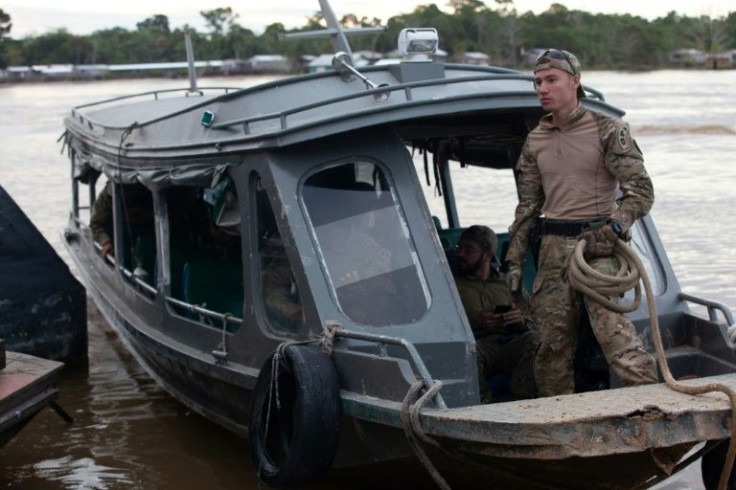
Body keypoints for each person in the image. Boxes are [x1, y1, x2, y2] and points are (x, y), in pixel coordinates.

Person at [506, 49, 658, 397]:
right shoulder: (535, 140)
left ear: (575, 82)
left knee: (614, 334)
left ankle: (655, 406)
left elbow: (641, 192)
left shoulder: (607, 130)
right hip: (553, 249)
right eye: (538, 82)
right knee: (549, 346)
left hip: (598, 246)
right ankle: (558, 415)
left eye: (551, 80)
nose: (542, 88)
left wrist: (615, 227)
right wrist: (514, 262)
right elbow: (528, 208)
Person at [453, 225, 538, 403]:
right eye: (459, 248)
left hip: (508, 344)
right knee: (470, 353)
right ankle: (484, 408)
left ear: (488, 254)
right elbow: (442, 325)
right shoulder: (451, 285)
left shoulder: (509, 285)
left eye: (469, 249)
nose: (461, 254)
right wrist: (477, 322)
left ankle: (525, 403)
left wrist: (520, 321)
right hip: (477, 345)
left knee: (535, 341)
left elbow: (536, 324)